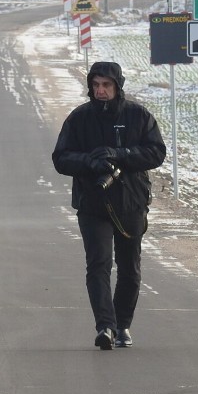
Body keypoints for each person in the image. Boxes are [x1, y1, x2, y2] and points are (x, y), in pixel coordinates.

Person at [52, 62, 166, 350]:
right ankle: (105, 326)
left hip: (131, 203)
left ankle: (122, 324)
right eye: (96, 85)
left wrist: (121, 154)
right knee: (98, 264)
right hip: (93, 203)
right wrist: (90, 161)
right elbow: (61, 158)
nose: (101, 91)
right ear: (90, 87)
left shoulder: (137, 116)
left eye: (107, 85)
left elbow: (156, 152)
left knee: (129, 268)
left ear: (117, 86)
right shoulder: (79, 119)